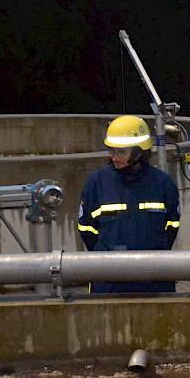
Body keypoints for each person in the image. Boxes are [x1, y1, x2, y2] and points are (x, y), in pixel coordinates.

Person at [77, 115, 181, 293]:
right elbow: (86, 228)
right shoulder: (97, 183)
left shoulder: (163, 184)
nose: (115, 158)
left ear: (140, 152)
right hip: (108, 282)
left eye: (122, 152)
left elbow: (172, 227)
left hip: (154, 281)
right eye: (112, 151)